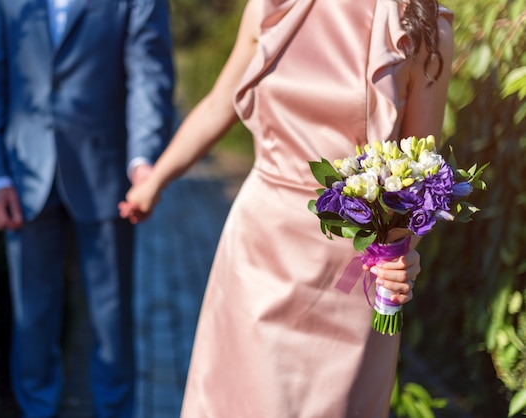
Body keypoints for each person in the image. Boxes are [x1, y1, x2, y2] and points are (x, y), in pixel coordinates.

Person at [119, 0, 454, 416]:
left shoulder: (422, 24)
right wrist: (154, 182)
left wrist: (404, 253)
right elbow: (219, 104)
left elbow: (422, 170)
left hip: (352, 274)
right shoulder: (272, 5)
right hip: (260, 257)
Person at [0, 0, 175, 416]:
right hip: (25, 176)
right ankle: (36, 409)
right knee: (32, 316)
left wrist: (144, 161)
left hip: (108, 176)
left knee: (111, 317)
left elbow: (148, 78)